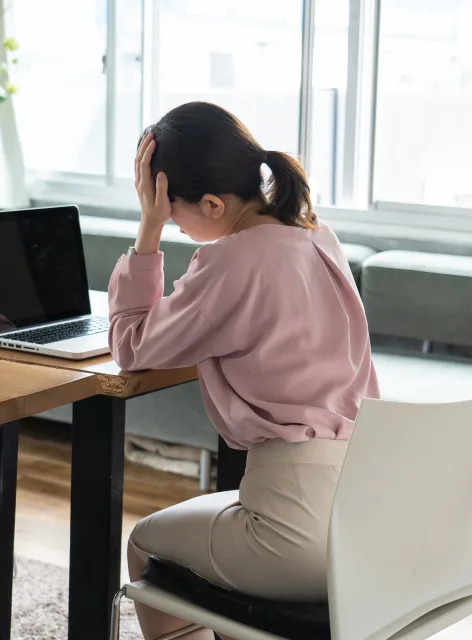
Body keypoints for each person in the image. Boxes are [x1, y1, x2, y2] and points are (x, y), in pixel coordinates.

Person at [108, 101, 379, 639]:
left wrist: (147, 228)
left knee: (145, 543)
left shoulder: (230, 261)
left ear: (211, 203)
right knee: (216, 563)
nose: (174, 224)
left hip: (293, 532)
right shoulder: (317, 236)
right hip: (368, 520)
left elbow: (131, 345)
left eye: (172, 209)